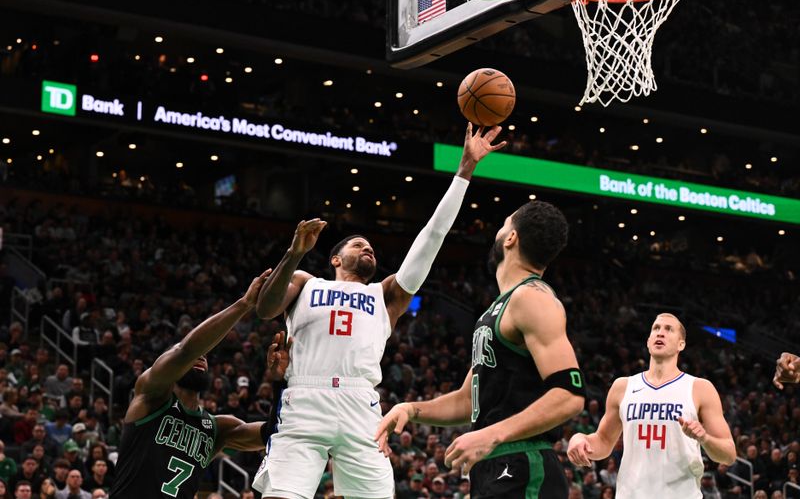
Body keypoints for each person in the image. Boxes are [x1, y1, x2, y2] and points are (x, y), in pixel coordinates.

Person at [253, 123, 507, 499]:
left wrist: (464, 171)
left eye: (371, 246)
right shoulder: (307, 281)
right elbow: (265, 308)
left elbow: (432, 238)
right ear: (336, 258)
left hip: (361, 405)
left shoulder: (385, 295)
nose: (367, 248)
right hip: (305, 399)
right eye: (359, 244)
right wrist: (293, 254)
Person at [377, 199, 586, 497]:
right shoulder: (500, 307)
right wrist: (411, 409)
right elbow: (467, 400)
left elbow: (570, 395)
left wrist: (492, 434)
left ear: (511, 238)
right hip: (492, 464)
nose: (498, 232)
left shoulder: (532, 298)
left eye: (503, 225)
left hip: (524, 467)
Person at [108, 270, 291, 499]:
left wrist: (280, 381)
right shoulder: (151, 396)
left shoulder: (217, 428)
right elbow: (187, 350)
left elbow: (274, 431)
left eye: (206, 357)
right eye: (199, 353)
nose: (202, 356)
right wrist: (244, 304)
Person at [567, 314, 736, 499]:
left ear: (681, 344)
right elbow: (604, 442)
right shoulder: (622, 387)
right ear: (648, 342)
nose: (660, 333)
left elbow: (728, 454)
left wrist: (704, 438)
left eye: (668, 329)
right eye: (656, 328)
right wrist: (580, 438)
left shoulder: (700, 388)